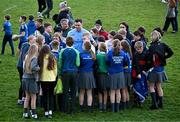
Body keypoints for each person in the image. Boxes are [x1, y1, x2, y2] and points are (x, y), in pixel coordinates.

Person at [148, 30, 173, 109]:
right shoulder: (163, 44)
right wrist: (164, 58)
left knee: (151, 86)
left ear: (153, 37)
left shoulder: (151, 47)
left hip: (154, 69)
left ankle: (154, 104)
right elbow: (171, 52)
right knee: (159, 86)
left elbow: (149, 59)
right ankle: (161, 104)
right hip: (161, 69)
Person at [58, 36, 80, 114]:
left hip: (65, 72)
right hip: (74, 72)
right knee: (73, 91)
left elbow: (60, 63)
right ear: (73, 42)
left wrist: (60, 72)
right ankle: (73, 108)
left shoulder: (62, 51)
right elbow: (78, 63)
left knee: (65, 90)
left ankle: (65, 108)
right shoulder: (76, 51)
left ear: (66, 42)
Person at [106, 39, 128, 112]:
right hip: (120, 73)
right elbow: (126, 62)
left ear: (113, 45)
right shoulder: (123, 53)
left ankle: (112, 109)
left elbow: (107, 62)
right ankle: (117, 108)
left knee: (112, 91)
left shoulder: (109, 53)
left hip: (112, 73)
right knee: (118, 91)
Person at [38, 45, 57, 118]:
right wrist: (55, 77)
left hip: (43, 79)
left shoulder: (40, 58)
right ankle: (50, 111)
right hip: (52, 79)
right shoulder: (53, 57)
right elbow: (55, 69)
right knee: (51, 95)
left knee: (45, 95)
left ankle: (46, 111)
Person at [17, 35, 37, 105]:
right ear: (30, 40)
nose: (35, 41)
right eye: (34, 39)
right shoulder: (27, 46)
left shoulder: (25, 44)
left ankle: (23, 97)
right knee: (23, 83)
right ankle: (20, 98)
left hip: (21, 66)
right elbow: (24, 58)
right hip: (22, 67)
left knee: (23, 82)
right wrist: (26, 67)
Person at [22, 44, 39, 119]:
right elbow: (33, 67)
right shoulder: (34, 58)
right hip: (31, 79)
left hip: (25, 78)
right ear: (35, 50)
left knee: (27, 97)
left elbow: (23, 67)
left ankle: (25, 113)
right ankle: (34, 114)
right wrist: (39, 68)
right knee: (33, 97)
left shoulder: (26, 57)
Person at [78, 41, 96, 112]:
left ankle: (81, 107)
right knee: (89, 92)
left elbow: (78, 64)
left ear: (84, 47)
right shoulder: (93, 55)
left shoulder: (81, 54)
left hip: (82, 73)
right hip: (90, 73)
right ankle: (89, 108)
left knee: (82, 92)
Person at [132, 41, 149, 107]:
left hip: (143, 73)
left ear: (142, 47)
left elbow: (147, 64)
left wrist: (145, 70)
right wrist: (137, 73)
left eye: (139, 49)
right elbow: (135, 65)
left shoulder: (145, 54)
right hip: (137, 74)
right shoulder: (135, 54)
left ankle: (141, 100)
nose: (138, 50)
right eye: (137, 49)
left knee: (142, 86)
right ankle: (137, 100)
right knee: (137, 86)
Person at [96, 42, 109, 112]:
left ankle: (101, 106)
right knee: (105, 91)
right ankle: (104, 106)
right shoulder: (107, 55)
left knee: (100, 91)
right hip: (106, 74)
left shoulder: (97, 55)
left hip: (99, 74)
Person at [120, 40, 132, 109]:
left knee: (123, 89)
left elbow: (124, 64)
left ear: (123, 47)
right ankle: (127, 103)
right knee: (126, 89)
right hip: (128, 73)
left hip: (125, 72)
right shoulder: (128, 53)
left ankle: (124, 104)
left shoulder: (124, 54)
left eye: (120, 45)